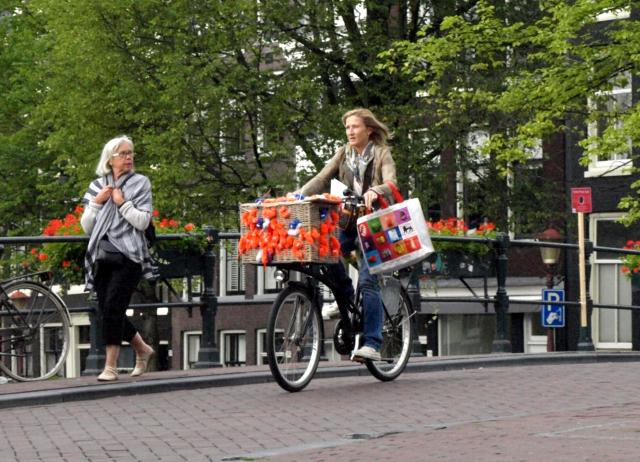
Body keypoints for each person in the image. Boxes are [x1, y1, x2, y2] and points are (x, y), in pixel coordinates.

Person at [297, 108, 397, 361]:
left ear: (369, 130)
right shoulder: (343, 153)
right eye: (347, 128)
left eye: (355, 127)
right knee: (325, 252)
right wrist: (297, 195)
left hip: (373, 225)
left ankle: (372, 343)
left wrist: (376, 191)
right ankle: (345, 296)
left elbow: (392, 183)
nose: (350, 132)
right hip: (348, 221)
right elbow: (322, 178)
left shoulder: (382, 153)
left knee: (367, 280)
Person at [81, 135, 155, 381]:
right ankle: (142, 349)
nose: (129, 157)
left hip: (130, 254)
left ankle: (110, 366)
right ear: (110, 159)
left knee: (114, 307)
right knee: (107, 310)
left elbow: (143, 221)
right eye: (123, 153)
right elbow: (87, 227)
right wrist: (96, 203)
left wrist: (122, 204)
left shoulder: (141, 183)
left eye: (131, 153)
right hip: (102, 254)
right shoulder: (96, 186)